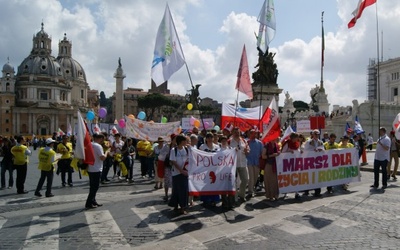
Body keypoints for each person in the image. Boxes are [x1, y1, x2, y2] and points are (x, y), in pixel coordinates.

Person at [86, 133, 108, 209]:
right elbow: (102, 158)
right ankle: (88, 203)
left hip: (90, 168)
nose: (103, 141)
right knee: (95, 187)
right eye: (102, 139)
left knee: (92, 186)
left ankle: (93, 201)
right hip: (97, 168)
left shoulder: (89, 144)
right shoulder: (98, 146)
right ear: (100, 138)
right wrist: (107, 152)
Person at [168, 134, 189, 215]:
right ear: (180, 141)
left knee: (184, 190)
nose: (186, 142)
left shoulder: (186, 149)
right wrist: (180, 170)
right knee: (176, 190)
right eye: (184, 141)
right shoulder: (174, 150)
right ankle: (175, 205)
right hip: (176, 173)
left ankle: (183, 207)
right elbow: (173, 161)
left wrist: (185, 171)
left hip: (185, 173)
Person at [228, 127, 250, 203]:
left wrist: (247, 151)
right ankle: (235, 197)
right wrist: (232, 151)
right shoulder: (229, 142)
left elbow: (248, 151)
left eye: (238, 132)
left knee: (245, 179)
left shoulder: (244, 141)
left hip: (243, 163)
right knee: (234, 182)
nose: (237, 134)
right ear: (232, 133)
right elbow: (226, 153)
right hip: (233, 165)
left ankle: (242, 194)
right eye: (235, 132)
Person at [303, 129, 325, 197]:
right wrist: (313, 150)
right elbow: (305, 150)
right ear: (313, 134)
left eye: (318, 134)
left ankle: (317, 191)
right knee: (309, 176)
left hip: (318, 162)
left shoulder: (320, 142)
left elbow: (324, 150)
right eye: (315, 134)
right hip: (310, 162)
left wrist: (321, 150)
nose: (317, 135)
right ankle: (306, 190)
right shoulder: (308, 142)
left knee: (318, 177)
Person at [246, 128, 263, 198]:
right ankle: (250, 191)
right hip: (249, 162)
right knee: (251, 177)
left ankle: (251, 188)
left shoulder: (260, 143)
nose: (253, 134)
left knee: (255, 178)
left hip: (257, 163)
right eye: (251, 133)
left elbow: (262, 153)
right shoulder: (246, 142)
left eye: (254, 133)